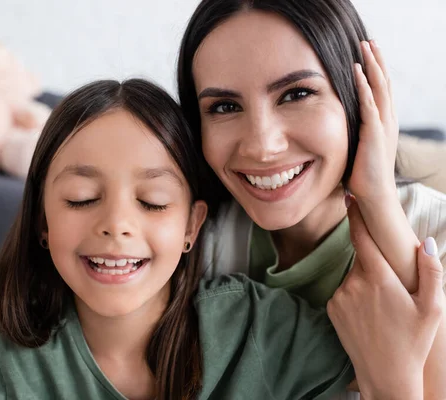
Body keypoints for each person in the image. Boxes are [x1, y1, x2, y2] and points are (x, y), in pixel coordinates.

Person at [0, 79, 443, 400]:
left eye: (153, 201)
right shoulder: (9, 372)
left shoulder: (270, 333)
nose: (116, 224)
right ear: (43, 223)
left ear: (192, 225)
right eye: (81, 199)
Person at [176, 1, 446, 397]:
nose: (262, 146)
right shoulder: (198, 244)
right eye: (225, 106)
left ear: (361, 95)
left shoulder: (437, 232)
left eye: (296, 93)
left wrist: (380, 200)